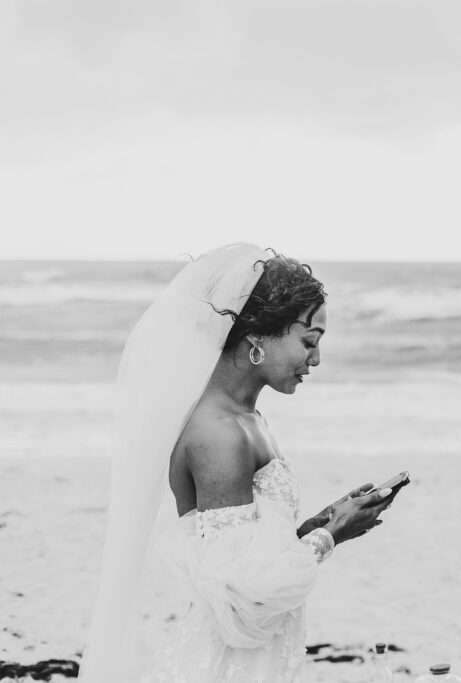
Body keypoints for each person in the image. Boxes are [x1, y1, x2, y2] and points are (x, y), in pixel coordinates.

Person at [80, 243, 399, 682]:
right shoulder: (220, 433)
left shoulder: (248, 418)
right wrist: (330, 536)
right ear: (258, 338)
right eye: (309, 341)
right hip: (229, 665)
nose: (317, 359)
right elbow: (241, 601)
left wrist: (320, 522)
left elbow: (245, 550)